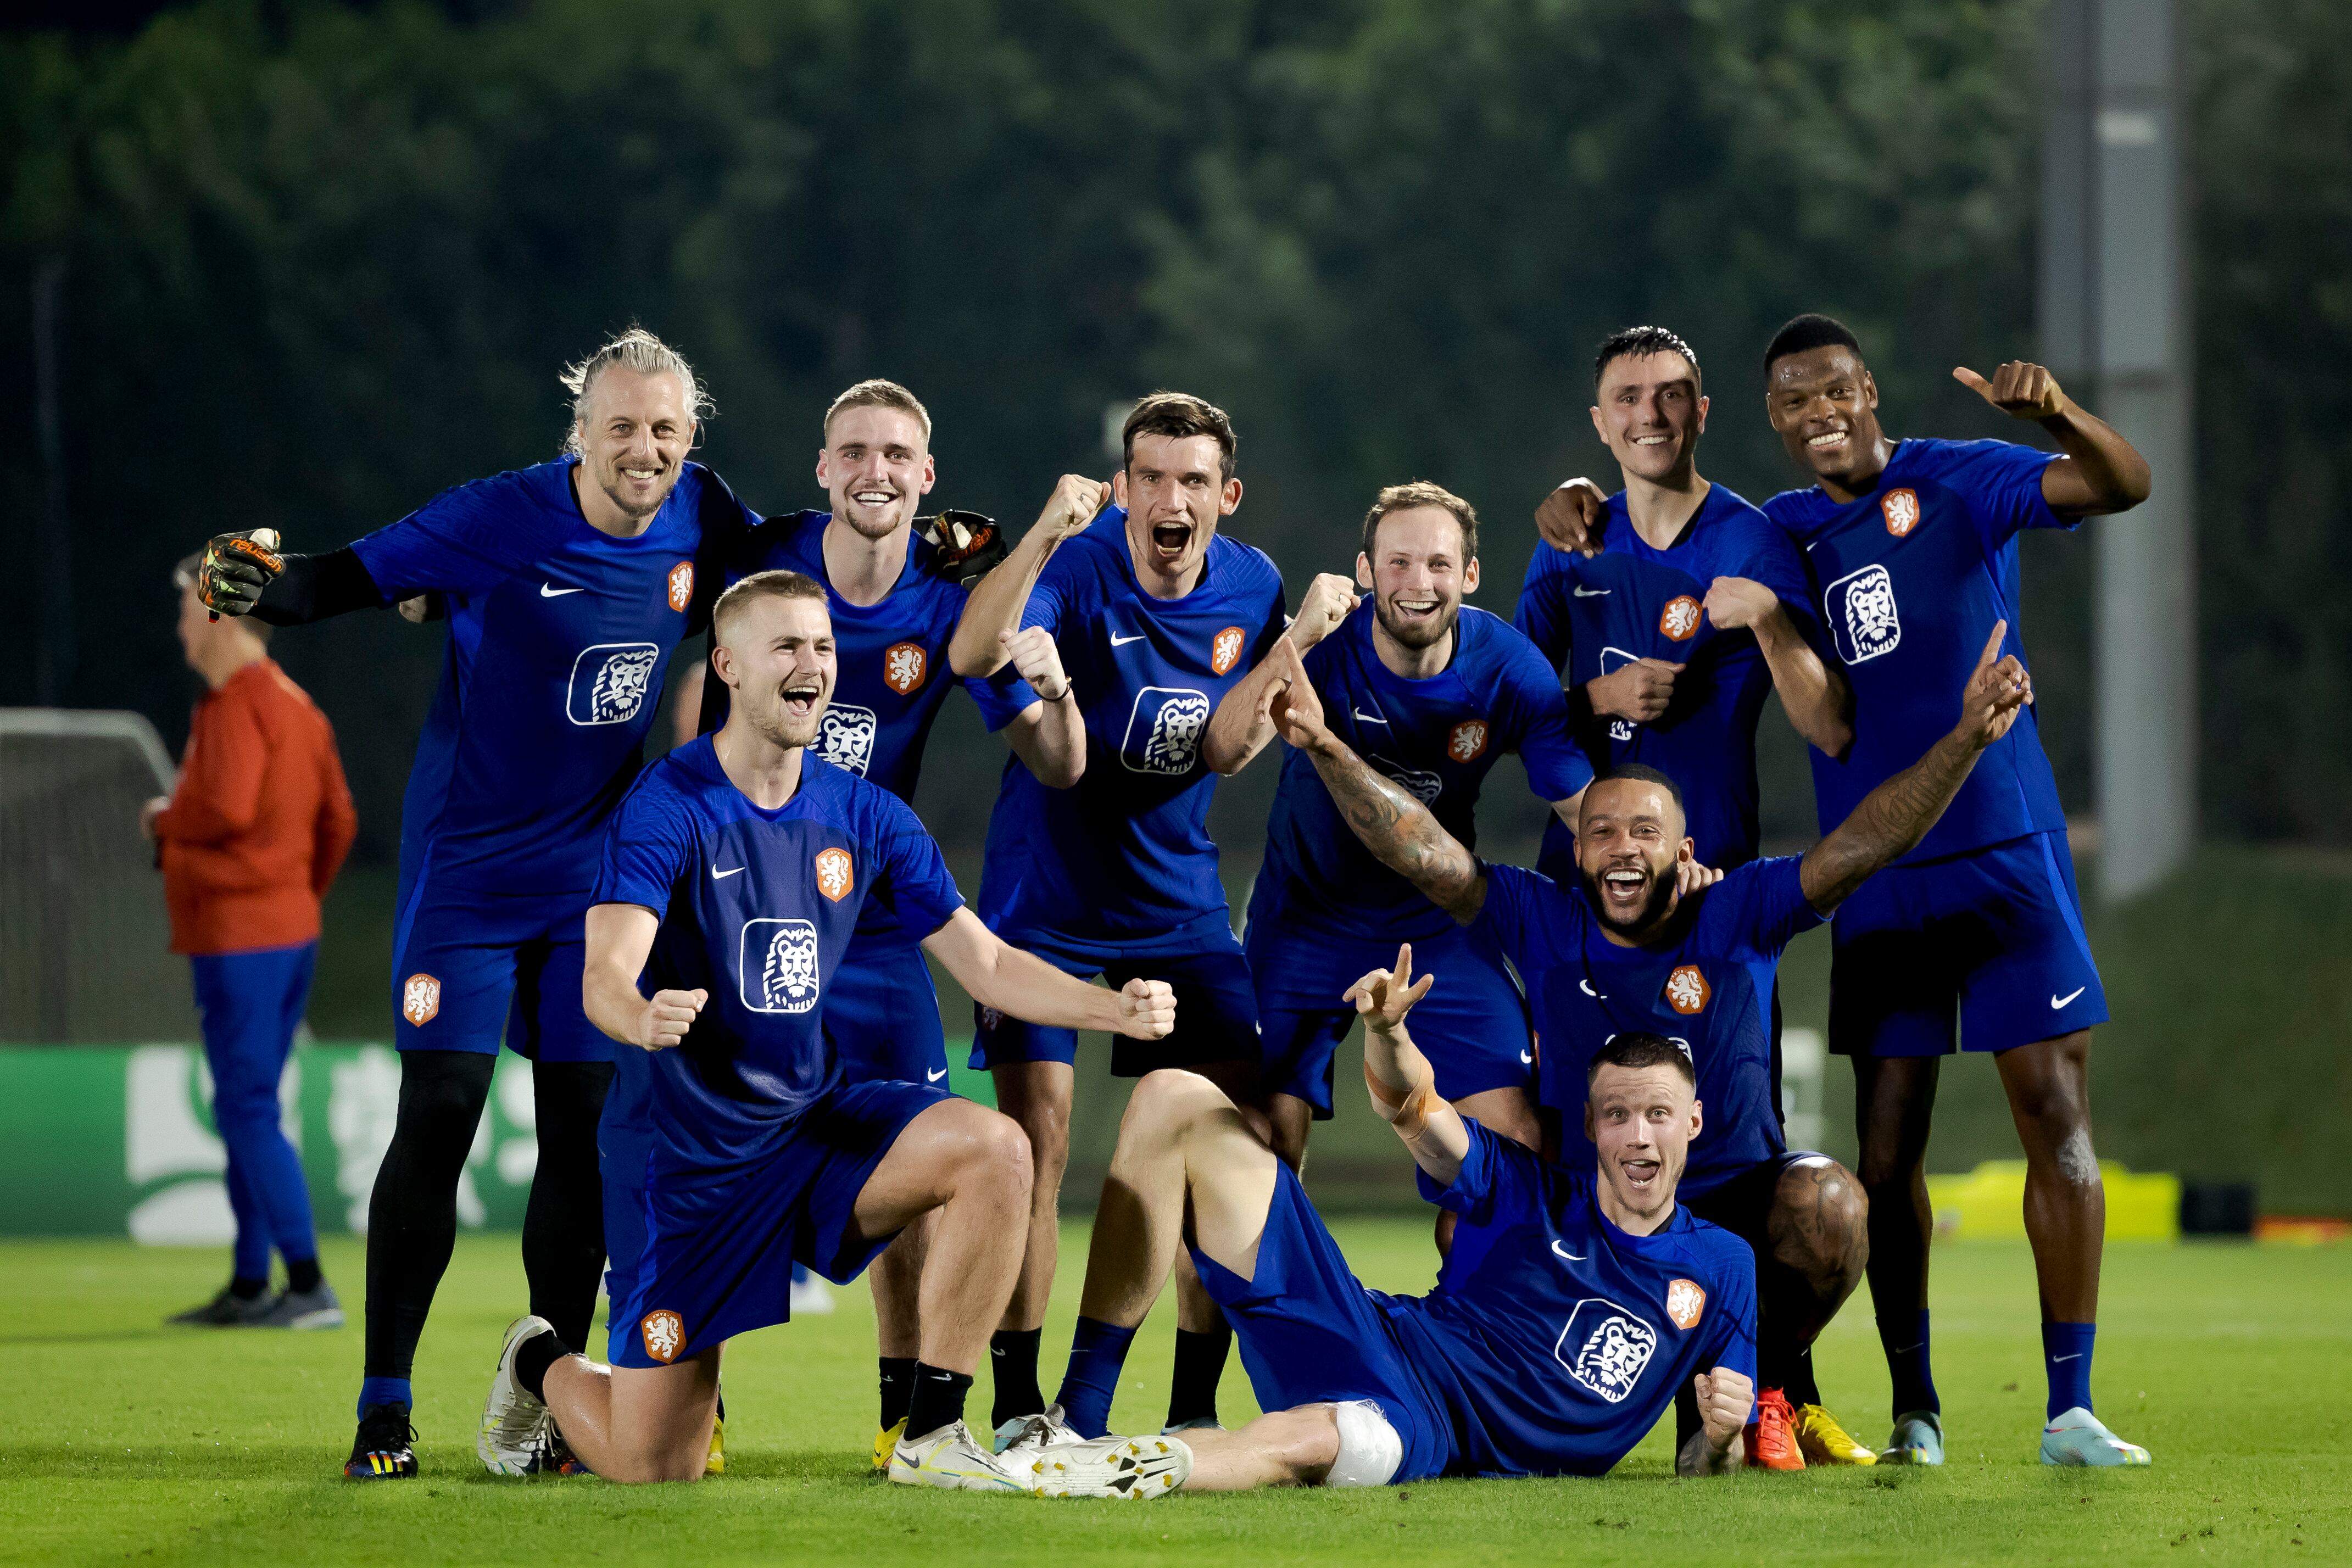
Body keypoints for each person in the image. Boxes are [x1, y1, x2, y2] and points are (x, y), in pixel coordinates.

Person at [1259, 605, 2041, 1471]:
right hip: (1594, 1218)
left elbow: (1868, 839)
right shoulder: (1545, 917)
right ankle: (1498, 1401)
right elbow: (1425, 851)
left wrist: (1968, 737)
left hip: (1732, 1205)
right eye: (1599, 832)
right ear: (1577, 847)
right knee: (1465, 1230)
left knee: (1829, 1208)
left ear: (1684, 848)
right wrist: (1328, 746)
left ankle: (1763, 1388)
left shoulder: (1739, 908)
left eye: (1643, 833)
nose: (1620, 849)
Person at [191, 327, 759, 1481]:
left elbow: (801, 572)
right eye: (620, 427)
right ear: (579, 433)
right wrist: (256, 577)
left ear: (688, 435)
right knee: (442, 1105)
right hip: (470, 873)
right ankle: (385, 1405)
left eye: (662, 427)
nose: (642, 448)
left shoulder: (707, 515)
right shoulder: (500, 515)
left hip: (601, 882)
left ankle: (555, 1396)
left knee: (580, 1135)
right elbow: (338, 577)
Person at [473, 570, 1178, 1490]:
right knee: (657, 1464)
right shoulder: (667, 805)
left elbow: (988, 964)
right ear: (727, 666)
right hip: (685, 1162)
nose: (813, 666)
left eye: (822, 647)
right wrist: (638, 1012)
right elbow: (604, 966)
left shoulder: (867, 814)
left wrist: (1108, 1005)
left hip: (809, 1126)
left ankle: (929, 1434)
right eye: (787, 647)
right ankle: (538, 1364)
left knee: (997, 1151)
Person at [1758, 314, 2153, 1469]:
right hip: (1876, 874)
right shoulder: (1780, 535)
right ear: (1775, 423)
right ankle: (1913, 1410)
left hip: (2003, 851)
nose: (1816, 409)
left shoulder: (1958, 476)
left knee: (2054, 1113)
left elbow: (2121, 484)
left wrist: (2056, 413)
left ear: (1867, 388)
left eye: (1832, 387)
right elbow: (1809, 703)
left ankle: (2067, 1408)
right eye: (1791, 399)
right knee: (1884, 1156)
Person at [679, 377, 1056, 1469]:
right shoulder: (763, 557)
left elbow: (1042, 744)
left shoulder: (950, 593)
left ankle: (908, 1410)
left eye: (896, 453)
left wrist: (1054, 694)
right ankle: (692, 1393)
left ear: (925, 474)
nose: (875, 470)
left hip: (878, 921)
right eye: (854, 452)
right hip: (747, 901)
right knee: (719, 1152)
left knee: (917, 1159)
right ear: (821, 468)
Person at [946, 392, 1309, 1442]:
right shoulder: (1069, 567)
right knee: (1036, 1149)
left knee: (1246, 1136)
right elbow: (993, 674)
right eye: (1149, 477)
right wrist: (1045, 545)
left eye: (1192, 481)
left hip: (1179, 906)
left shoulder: (1255, 585)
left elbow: (1232, 748)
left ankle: (1193, 1406)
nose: (1170, 498)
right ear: (1120, 490)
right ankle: (1020, 1410)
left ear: (1225, 497)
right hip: (1044, 908)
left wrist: (1306, 644)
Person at [1009, 1022, 1757, 1496]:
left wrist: (1721, 1437)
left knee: (1320, 1442)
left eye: (1657, 1113)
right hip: (1373, 1331)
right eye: (1617, 1114)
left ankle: (1103, 1472)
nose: (1637, 1135)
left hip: (1421, 1422)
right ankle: (1074, 1420)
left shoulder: (1724, 1265)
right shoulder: (1526, 1187)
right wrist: (1387, 1034)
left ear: (1691, 1121)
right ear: (1591, 1124)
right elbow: (1416, 1109)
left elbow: (1698, 1469)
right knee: (1174, 1093)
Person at [1205, 481, 1591, 1165]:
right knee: (1254, 1155)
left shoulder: (1509, 670)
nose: (1419, 582)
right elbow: (1223, 752)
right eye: (1399, 562)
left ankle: (1490, 1272)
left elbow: (1585, 814)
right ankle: (1264, 1275)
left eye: (1440, 564)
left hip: (1435, 925)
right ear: (1364, 571)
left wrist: (1665, 866)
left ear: (1470, 575)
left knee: (1520, 1143)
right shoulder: (1320, 651)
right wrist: (1292, 638)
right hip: (1303, 921)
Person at [1517, 325, 1851, 875]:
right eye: (1627, 398)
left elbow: (1831, 729)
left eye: (1669, 395)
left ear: (1700, 413)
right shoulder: (1569, 540)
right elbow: (1505, 715)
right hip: (1579, 880)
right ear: (1601, 423)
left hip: (1707, 876)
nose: (1649, 415)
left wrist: (1770, 622)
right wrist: (1601, 697)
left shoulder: (1753, 544)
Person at [146, 553, 357, 1330]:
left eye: (184, 610)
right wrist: (297, 891)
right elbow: (338, 821)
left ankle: (305, 1282)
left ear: (216, 616)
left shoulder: (235, 705)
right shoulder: (299, 707)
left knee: (245, 1103)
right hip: (286, 929)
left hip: (239, 935)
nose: (179, 628)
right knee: (249, 1103)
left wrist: (166, 820)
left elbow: (227, 809)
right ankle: (248, 1280)